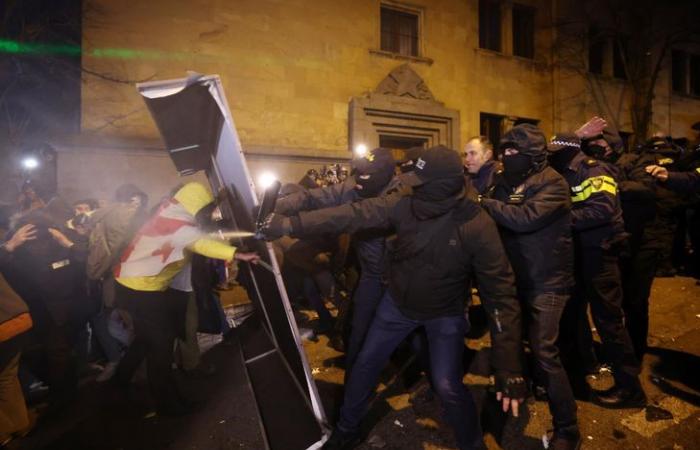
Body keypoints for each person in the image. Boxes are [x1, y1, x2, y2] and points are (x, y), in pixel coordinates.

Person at [262, 145, 525, 450]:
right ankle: (347, 430)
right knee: (364, 365)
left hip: (444, 313)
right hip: (397, 305)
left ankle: (472, 444)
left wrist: (509, 366)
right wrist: (290, 225)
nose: (408, 185)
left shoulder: (477, 225)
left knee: (447, 384)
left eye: (419, 180)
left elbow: (501, 295)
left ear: (439, 185)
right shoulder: (405, 203)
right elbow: (354, 214)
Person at [111, 182, 259, 416]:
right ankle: (167, 405)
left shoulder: (170, 212)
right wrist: (238, 253)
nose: (210, 214)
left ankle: (118, 383)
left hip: (133, 286)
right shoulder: (180, 225)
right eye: (208, 209)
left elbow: (199, 233)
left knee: (146, 340)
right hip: (142, 290)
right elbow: (200, 242)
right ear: (197, 206)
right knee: (161, 347)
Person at [480, 124, 580, 449]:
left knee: (544, 352)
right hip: (514, 278)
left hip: (547, 282)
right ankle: (518, 395)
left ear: (534, 155)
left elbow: (524, 219)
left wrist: (485, 203)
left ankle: (567, 429)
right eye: (504, 151)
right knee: (517, 345)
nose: (507, 157)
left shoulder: (553, 183)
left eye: (514, 152)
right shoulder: (504, 181)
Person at [274, 147, 402, 372]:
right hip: (368, 272)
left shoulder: (397, 197)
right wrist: (278, 206)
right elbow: (318, 196)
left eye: (365, 176)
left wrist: (289, 225)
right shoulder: (356, 185)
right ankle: (357, 372)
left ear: (384, 177)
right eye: (358, 174)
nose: (358, 182)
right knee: (358, 327)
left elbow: (350, 215)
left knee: (398, 330)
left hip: (397, 277)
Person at [547, 133, 645, 409]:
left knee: (608, 322)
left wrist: (559, 220)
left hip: (600, 255)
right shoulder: (563, 171)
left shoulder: (592, 168)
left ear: (568, 150)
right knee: (572, 315)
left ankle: (631, 389)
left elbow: (602, 209)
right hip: (578, 254)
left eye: (555, 150)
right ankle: (582, 366)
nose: (550, 155)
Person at [0, 225, 36, 446]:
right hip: (17, 319)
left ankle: (3, 432)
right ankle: (20, 425)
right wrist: (9, 245)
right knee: (6, 376)